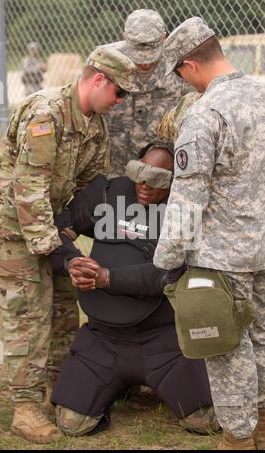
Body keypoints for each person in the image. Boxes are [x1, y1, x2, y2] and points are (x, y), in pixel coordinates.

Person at [153, 17, 265, 450]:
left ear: (190, 64)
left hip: (221, 259)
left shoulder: (204, 114)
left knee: (225, 348)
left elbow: (186, 199)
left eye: (179, 74)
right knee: (260, 336)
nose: (182, 84)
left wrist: (167, 261)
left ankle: (237, 438)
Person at [0, 45, 139, 444]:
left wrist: (73, 238)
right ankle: (25, 408)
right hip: (14, 230)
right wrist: (63, 251)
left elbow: (88, 190)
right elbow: (29, 191)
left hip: (52, 229)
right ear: (98, 80)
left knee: (62, 308)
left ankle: (60, 391)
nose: (121, 102)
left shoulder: (96, 126)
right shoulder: (46, 115)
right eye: (119, 93)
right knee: (28, 316)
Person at [48, 142, 219, 437]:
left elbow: (169, 275)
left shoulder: (184, 209)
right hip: (102, 340)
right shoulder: (108, 193)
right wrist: (72, 260)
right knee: (71, 424)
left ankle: (148, 384)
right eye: (140, 176)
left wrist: (105, 278)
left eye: (157, 181)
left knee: (205, 421)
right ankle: (118, 385)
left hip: (162, 342)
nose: (145, 187)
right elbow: (56, 230)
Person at [105, 9, 189, 177]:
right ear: (124, 37)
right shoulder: (106, 62)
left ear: (164, 38)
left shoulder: (181, 66)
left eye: (151, 54)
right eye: (138, 54)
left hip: (162, 178)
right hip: (115, 173)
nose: (144, 64)